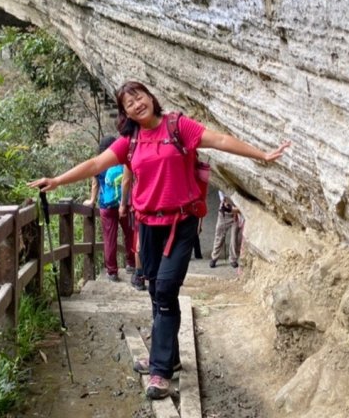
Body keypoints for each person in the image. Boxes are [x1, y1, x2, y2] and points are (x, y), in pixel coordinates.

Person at [30, 80, 290, 400]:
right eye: (129, 103)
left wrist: (261, 154)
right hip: (148, 225)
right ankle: (170, 357)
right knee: (156, 290)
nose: (137, 104)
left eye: (139, 96)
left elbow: (220, 139)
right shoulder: (130, 141)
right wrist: (56, 180)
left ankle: (160, 372)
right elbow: (96, 164)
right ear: (125, 113)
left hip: (182, 223)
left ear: (150, 97)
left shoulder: (178, 126)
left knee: (166, 289)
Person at [84, 135, 135, 281]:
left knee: (109, 238)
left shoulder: (99, 163)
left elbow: (95, 184)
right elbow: (129, 180)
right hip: (124, 204)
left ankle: (112, 271)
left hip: (106, 206)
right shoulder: (123, 160)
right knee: (129, 234)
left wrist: (92, 200)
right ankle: (131, 263)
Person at [209, 191, 240, 268]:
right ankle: (214, 257)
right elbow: (224, 202)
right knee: (219, 236)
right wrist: (225, 203)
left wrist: (235, 211)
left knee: (235, 238)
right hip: (224, 213)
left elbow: (240, 208)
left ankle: (233, 259)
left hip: (236, 214)